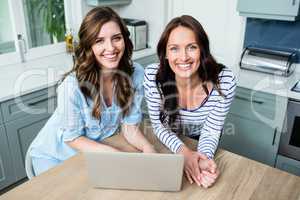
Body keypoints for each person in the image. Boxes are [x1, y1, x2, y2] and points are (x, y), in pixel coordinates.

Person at [28, 6, 156, 176]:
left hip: (95, 151)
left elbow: (129, 127)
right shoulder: (72, 86)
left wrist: (149, 149)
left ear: (125, 40)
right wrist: (116, 155)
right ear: (89, 46)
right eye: (99, 40)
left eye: (116, 38)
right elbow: (72, 138)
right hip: (55, 157)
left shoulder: (136, 75)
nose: (110, 48)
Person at [143, 15, 236, 188]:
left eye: (192, 47)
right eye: (174, 49)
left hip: (202, 140)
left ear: (202, 50)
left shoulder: (224, 81)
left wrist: (201, 161)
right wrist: (184, 154)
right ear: (165, 54)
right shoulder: (152, 76)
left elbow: (211, 132)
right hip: (168, 136)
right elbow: (159, 125)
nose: (183, 57)